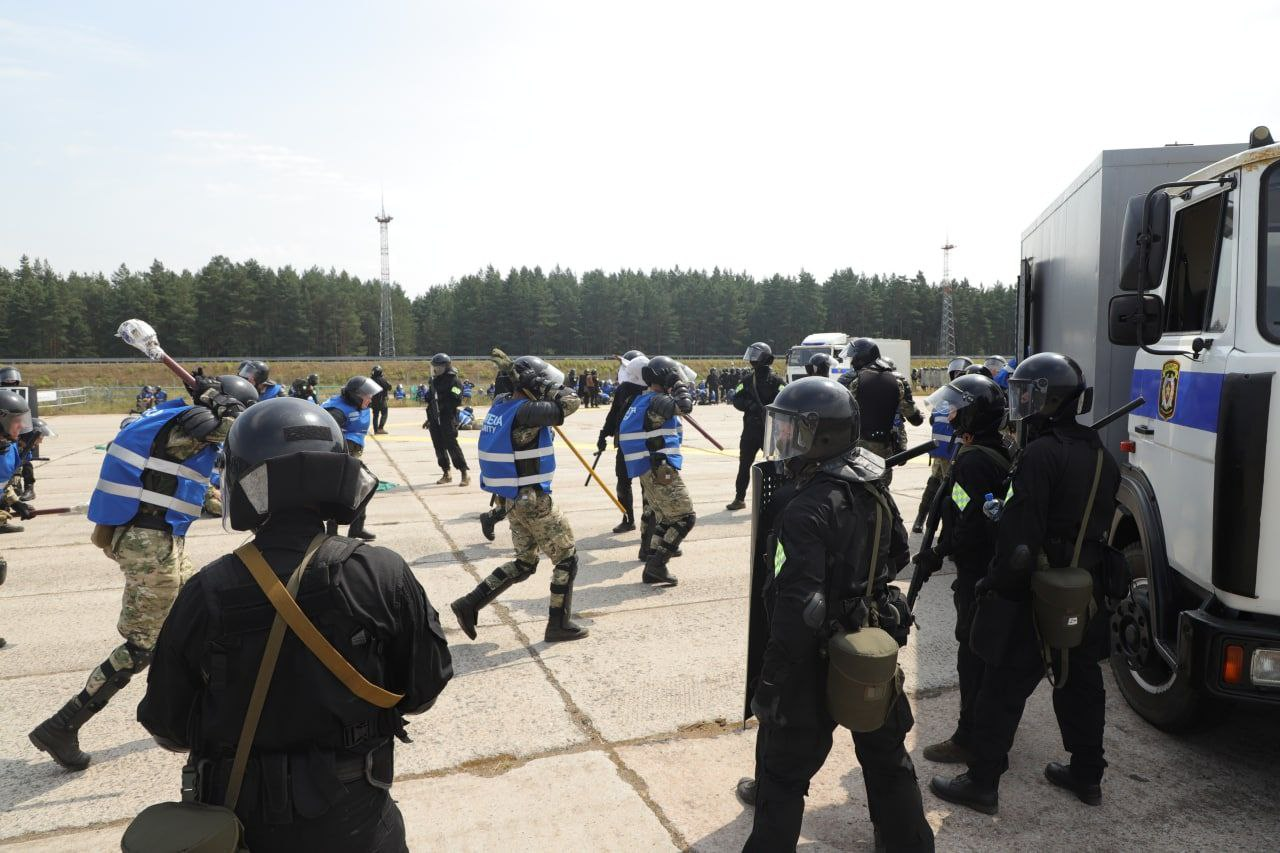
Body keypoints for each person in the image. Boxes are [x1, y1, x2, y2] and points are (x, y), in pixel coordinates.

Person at [137, 397, 454, 852]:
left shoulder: (208, 589)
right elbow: (423, 691)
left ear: (241, 480)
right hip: (359, 818)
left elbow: (168, 727)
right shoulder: (383, 572)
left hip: (244, 821)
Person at [737, 377, 933, 852]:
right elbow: (899, 554)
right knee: (887, 758)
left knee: (782, 774)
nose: (783, 442)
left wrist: (772, 681)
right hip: (866, 644)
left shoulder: (802, 510)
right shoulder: (871, 485)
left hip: (812, 656)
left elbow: (799, 606)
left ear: (819, 435)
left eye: (792, 431)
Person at [28, 375, 257, 770]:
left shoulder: (176, 426)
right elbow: (246, 432)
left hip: (156, 539)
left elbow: (200, 493)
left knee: (196, 618)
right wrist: (235, 409)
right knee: (142, 646)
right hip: (148, 543)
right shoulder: (191, 424)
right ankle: (62, 725)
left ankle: (208, 708)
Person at [931, 352, 1119, 815]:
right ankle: (1087, 774)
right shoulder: (1099, 454)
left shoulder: (1039, 455)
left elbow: (1020, 534)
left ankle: (982, 781)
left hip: (1034, 587)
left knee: (1000, 686)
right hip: (1084, 589)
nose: (1019, 403)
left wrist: (993, 584)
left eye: (1026, 394)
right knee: (1080, 681)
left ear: (1045, 400)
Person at [451, 355, 587, 642]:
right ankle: (557, 625)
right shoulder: (526, 411)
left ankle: (469, 604)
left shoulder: (502, 406)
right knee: (567, 558)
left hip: (514, 500)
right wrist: (541, 383)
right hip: (535, 502)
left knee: (525, 563)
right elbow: (572, 402)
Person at [913, 374, 1011, 765]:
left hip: (976, 574)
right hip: (990, 568)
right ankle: (989, 729)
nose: (949, 414)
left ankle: (969, 736)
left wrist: (939, 551)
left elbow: (965, 522)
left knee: (972, 656)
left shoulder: (971, 463)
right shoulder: (996, 448)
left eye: (956, 407)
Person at [619, 356, 695, 586]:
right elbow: (685, 406)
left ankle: (652, 565)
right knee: (685, 518)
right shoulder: (656, 401)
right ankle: (658, 564)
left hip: (648, 469)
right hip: (659, 469)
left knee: (665, 519)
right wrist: (678, 385)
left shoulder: (641, 401)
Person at [912, 357, 973, 532]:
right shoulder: (967, 397)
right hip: (955, 453)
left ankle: (920, 520)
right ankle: (957, 526)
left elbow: (933, 419)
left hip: (940, 451)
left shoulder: (945, 395)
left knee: (933, 485)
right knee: (957, 491)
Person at [839, 338, 908, 486]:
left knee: (861, 487)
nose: (852, 362)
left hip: (861, 447)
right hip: (885, 447)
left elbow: (843, 411)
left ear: (861, 357)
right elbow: (913, 417)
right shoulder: (896, 382)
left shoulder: (857, 381)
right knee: (881, 488)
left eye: (854, 357)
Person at [727, 343, 785, 511]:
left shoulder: (777, 381)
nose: (752, 359)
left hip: (771, 431)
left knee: (776, 467)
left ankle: (778, 499)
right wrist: (748, 404)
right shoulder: (746, 381)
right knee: (744, 465)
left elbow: (785, 399)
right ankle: (739, 498)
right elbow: (736, 399)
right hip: (751, 431)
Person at [322, 376, 381, 541]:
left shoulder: (357, 405)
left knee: (363, 488)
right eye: (367, 396)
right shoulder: (338, 411)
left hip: (353, 453)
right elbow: (325, 432)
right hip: (339, 455)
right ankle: (331, 532)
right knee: (338, 492)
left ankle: (357, 528)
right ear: (356, 395)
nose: (370, 399)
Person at [598, 350, 648, 533]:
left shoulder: (651, 388)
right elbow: (614, 413)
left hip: (645, 443)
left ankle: (648, 522)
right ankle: (628, 519)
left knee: (648, 485)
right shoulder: (624, 389)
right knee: (623, 482)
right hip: (625, 443)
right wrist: (604, 434)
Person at [0, 390, 36, 646]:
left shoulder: (10, 450)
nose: (21, 426)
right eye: (16, 420)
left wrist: (15, 502)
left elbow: (2, 485)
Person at [477, 349, 517, 542]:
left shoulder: (504, 383)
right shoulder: (506, 391)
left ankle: (492, 517)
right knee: (514, 499)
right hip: (510, 454)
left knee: (512, 499)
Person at [423, 353, 470, 486]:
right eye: (434, 367)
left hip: (447, 419)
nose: (435, 370)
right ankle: (446, 473)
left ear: (445, 367)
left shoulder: (454, 381)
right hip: (434, 420)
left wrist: (442, 408)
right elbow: (430, 399)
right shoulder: (434, 381)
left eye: (438, 367)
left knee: (452, 446)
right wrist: (430, 418)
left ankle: (464, 473)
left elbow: (456, 400)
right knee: (439, 447)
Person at [370, 364, 392, 434]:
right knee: (384, 414)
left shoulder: (370, 380)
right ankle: (381, 428)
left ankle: (376, 430)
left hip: (373, 400)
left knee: (375, 415)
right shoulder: (381, 379)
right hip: (382, 400)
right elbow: (389, 387)